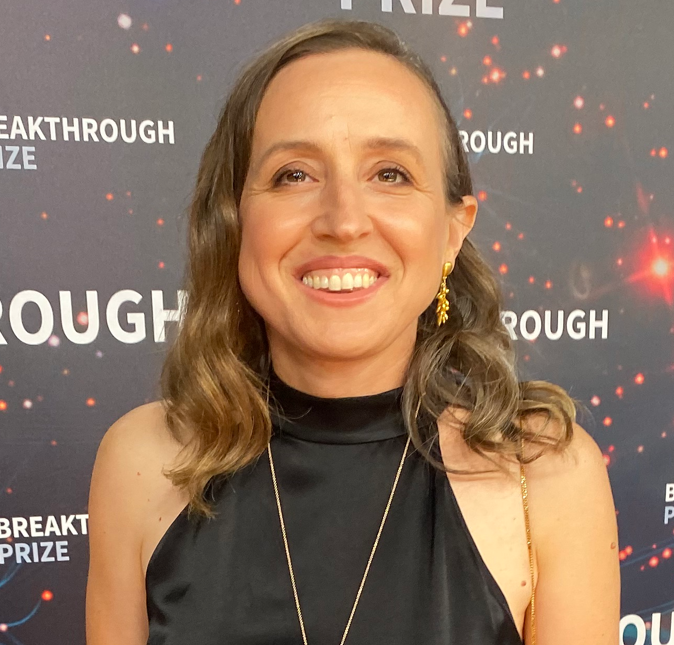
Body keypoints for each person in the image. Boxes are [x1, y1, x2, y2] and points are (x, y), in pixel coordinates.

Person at [85, 18, 620, 645]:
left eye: (390, 174)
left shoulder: (546, 476)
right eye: (294, 175)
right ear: (232, 221)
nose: (343, 221)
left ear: (453, 231)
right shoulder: (140, 463)